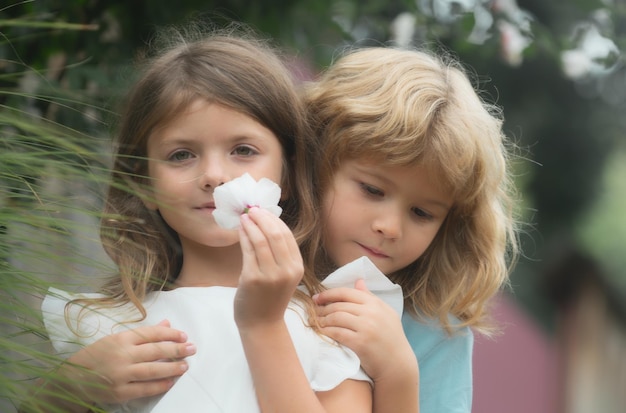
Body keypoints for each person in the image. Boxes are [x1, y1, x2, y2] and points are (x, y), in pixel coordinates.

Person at [23, 25, 373, 413]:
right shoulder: (108, 323)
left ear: (288, 175)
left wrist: (265, 324)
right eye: (181, 155)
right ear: (144, 185)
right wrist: (65, 388)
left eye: (243, 149)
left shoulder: (330, 319)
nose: (213, 175)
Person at [304, 46, 520, 413]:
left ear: (451, 224)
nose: (389, 227)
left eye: (421, 213)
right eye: (372, 190)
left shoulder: (434, 331)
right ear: (316, 158)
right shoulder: (238, 252)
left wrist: (396, 370)